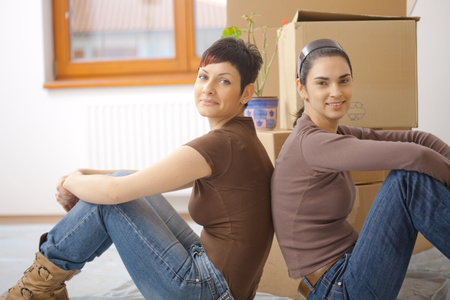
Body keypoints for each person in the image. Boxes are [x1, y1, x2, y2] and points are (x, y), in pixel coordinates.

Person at [1, 37, 274, 300]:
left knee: (114, 200)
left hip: (206, 290)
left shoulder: (221, 144)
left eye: (223, 81)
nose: (208, 88)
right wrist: (81, 175)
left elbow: (115, 194)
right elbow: (140, 179)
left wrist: (71, 183)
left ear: (246, 93)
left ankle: (32, 290)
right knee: (125, 185)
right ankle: (42, 287)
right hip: (221, 283)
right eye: (203, 76)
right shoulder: (240, 138)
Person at [271, 38, 450, 299]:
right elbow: (416, 156)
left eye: (344, 80)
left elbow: (416, 140)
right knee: (407, 182)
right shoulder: (312, 144)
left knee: (409, 173)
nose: (336, 92)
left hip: (349, 270)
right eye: (323, 83)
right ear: (302, 89)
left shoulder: (333, 134)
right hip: (338, 288)